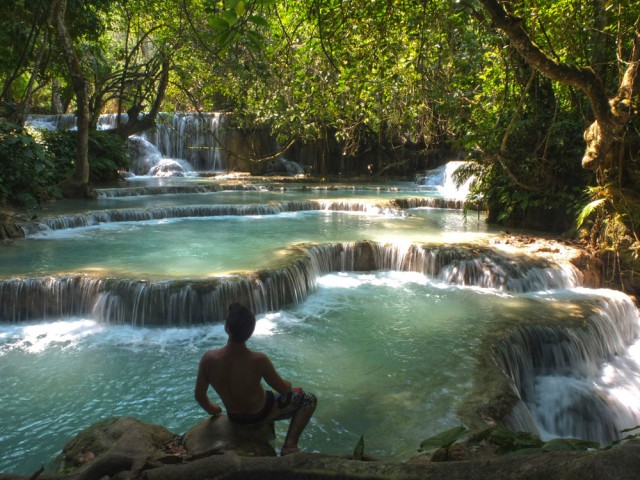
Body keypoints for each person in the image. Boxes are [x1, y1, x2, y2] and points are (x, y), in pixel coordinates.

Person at [195, 303, 317, 456]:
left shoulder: (208, 359)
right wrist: (289, 385)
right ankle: (290, 446)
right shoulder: (259, 360)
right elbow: (284, 389)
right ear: (251, 331)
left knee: (268, 394)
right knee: (309, 399)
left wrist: (213, 410)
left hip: (234, 417)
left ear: (227, 328)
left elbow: (199, 396)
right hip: (260, 413)